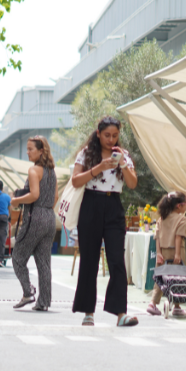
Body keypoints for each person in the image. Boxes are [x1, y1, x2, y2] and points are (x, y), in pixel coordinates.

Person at [71, 116, 138, 327]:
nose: (111, 140)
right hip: (90, 204)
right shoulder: (87, 154)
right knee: (89, 260)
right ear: (98, 133)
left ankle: (120, 314)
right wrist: (99, 167)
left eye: (115, 135)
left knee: (117, 260)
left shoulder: (124, 155)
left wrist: (123, 164)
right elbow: (75, 181)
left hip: (113, 206)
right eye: (107, 135)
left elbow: (132, 184)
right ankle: (88, 312)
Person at [11, 136, 58, 312]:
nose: (27, 152)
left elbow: (34, 195)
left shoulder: (33, 170)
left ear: (41, 151)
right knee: (44, 262)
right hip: (49, 216)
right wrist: (46, 210)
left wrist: (16, 200)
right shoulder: (51, 172)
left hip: (35, 216)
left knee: (17, 257)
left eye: (31, 149)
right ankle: (43, 301)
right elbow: (55, 198)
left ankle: (28, 292)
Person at [147, 191, 186, 317]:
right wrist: (177, 254)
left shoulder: (162, 218)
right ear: (179, 206)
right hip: (177, 250)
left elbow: (157, 236)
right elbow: (178, 237)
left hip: (163, 252)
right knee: (178, 278)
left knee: (160, 278)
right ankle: (176, 305)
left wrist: (158, 252)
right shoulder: (181, 219)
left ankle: (153, 303)